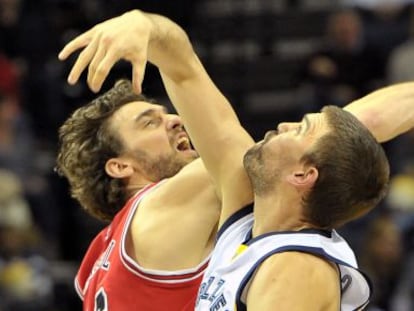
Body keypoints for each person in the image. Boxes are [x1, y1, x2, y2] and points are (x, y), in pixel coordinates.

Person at [58, 9, 414, 311]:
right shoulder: (166, 204)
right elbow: (357, 125)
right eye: (149, 122)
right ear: (120, 166)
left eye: (166, 112)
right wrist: (147, 26)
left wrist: (148, 28)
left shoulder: (96, 263)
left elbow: (183, 70)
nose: (176, 119)